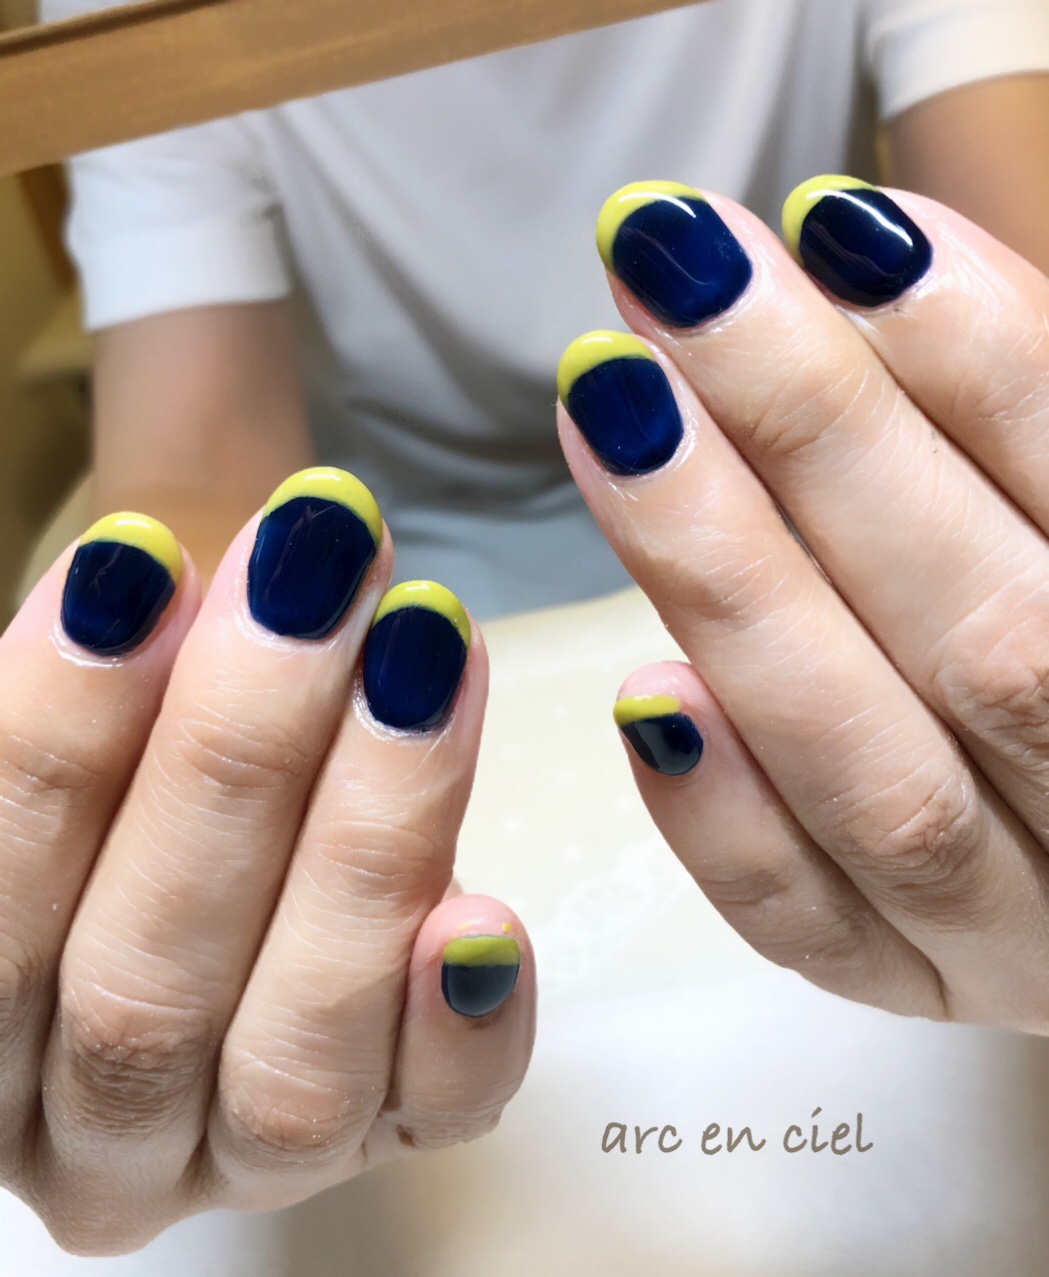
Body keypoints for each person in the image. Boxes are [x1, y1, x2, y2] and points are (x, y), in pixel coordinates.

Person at [2, 0, 1049, 1269]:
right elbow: (198, 460)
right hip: (392, 604)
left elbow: (1006, 299)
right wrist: (156, 783)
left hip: (819, 558)